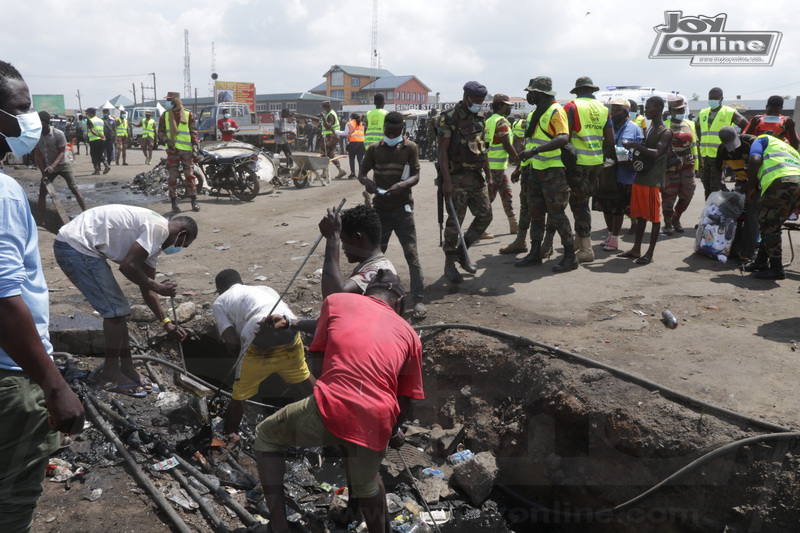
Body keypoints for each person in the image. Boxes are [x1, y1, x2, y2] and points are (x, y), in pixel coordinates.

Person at [253, 269, 424, 533]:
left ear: (368, 293)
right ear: (399, 303)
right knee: (367, 483)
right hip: (378, 418)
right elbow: (407, 401)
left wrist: (333, 398)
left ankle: (278, 527)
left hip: (332, 404)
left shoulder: (338, 301)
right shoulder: (411, 335)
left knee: (265, 435)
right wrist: (392, 431)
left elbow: (318, 361)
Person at [0, 60, 84, 532]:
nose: (31, 118)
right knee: (12, 502)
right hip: (11, 378)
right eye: (21, 108)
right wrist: (54, 385)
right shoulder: (3, 193)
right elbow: (4, 298)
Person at [53, 205, 198, 396]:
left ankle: (127, 368)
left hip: (82, 245)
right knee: (115, 311)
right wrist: (160, 287)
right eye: (183, 244)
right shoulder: (159, 229)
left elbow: (147, 289)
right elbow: (128, 266)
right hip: (76, 245)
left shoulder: (153, 246)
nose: (179, 248)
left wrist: (167, 323)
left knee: (120, 309)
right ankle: (111, 372)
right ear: (183, 233)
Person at [212, 269, 315, 439]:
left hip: (257, 330)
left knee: (239, 395)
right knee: (303, 374)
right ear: (242, 282)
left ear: (219, 290)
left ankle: (231, 434)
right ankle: (328, 411)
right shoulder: (264, 288)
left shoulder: (220, 301)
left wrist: (242, 368)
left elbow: (231, 342)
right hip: (289, 325)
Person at [358, 111, 426, 318]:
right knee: (376, 255)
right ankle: (369, 294)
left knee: (411, 254)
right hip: (380, 209)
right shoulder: (374, 149)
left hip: (403, 208)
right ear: (384, 129)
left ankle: (419, 300)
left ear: (402, 130)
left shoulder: (410, 148)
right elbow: (361, 173)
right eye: (389, 131)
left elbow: (416, 175)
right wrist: (367, 182)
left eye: (396, 132)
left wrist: (403, 184)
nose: (392, 134)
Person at [516, 76, 577, 273]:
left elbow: (563, 138)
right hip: (535, 170)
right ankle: (535, 252)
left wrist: (534, 152)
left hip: (552, 171)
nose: (528, 95)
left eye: (530, 92)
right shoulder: (536, 112)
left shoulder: (555, 111)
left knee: (557, 214)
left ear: (539, 93)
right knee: (535, 213)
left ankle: (570, 256)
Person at [437, 81, 493, 283]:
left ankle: (462, 251)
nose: (479, 104)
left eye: (482, 101)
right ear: (466, 97)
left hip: (476, 177)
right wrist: (446, 181)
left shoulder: (480, 117)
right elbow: (442, 151)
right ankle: (449, 264)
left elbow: (482, 147)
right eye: (477, 101)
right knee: (454, 223)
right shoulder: (449, 117)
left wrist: (489, 174)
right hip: (456, 177)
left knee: (486, 216)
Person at [564, 77, 614, 262]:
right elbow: (610, 140)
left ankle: (586, 248)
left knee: (579, 205)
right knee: (583, 202)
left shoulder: (571, 107)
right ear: (591, 90)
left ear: (577, 91)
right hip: (595, 162)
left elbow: (565, 137)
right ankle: (579, 239)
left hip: (578, 163)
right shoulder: (603, 109)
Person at [618, 96, 673, 264]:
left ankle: (649, 253)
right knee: (641, 216)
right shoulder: (650, 129)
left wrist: (635, 145)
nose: (645, 111)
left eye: (648, 108)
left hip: (653, 180)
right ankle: (636, 250)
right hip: (641, 177)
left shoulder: (665, 131)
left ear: (658, 108)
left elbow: (657, 153)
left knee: (654, 218)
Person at [743, 133, 800, 280]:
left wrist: (750, 188)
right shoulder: (787, 147)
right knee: (769, 224)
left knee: (769, 226)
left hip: (781, 182)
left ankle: (776, 268)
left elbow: (754, 160)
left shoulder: (761, 139)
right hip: (796, 183)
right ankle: (761, 262)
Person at [319, 203, 397, 298]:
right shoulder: (373, 264)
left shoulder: (379, 270)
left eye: (343, 240)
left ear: (357, 238)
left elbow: (335, 297)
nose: (343, 247)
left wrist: (333, 237)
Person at [597, 98, 643, 253]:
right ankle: (610, 234)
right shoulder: (607, 127)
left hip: (624, 174)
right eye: (612, 109)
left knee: (618, 208)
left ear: (626, 112)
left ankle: (615, 239)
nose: (613, 113)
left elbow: (636, 151)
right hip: (606, 173)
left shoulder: (633, 128)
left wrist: (621, 156)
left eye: (617, 110)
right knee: (606, 206)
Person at [716, 127, 759, 263]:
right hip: (741, 182)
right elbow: (718, 169)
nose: (732, 149)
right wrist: (722, 185)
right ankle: (735, 249)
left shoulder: (751, 142)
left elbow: (760, 166)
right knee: (736, 214)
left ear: (738, 134)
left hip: (759, 181)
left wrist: (748, 188)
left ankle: (747, 253)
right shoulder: (722, 149)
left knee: (751, 215)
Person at [33, 111, 87, 221]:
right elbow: (38, 156)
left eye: (42, 123)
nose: (40, 126)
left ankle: (86, 214)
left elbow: (62, 152)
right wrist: (44, 173)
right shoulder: (37, 137)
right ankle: (40, 219)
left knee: (74, 189)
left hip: (63, 165)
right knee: (42, 192)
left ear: (47, 123)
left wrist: (53, 165)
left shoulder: (58, 134)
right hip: (48, 168)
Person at [697, 87, 748, 199]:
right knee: (707, 186)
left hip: (720, 155)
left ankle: (717, 212)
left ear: (721, 99)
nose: (713, 100)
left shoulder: (730, 112)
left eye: (715, 98)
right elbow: (698, 130)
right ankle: (709, 209)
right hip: (705, 155)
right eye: (711, 98)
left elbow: (746, 126)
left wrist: (737, 141)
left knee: (716, 187)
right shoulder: (703, 113)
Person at [482, 94, 519, 239]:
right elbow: (507, 144)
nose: (509, 108)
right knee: (488, 199)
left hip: (496, 166)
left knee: (506, 194)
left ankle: (513, 224)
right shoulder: (501, 122)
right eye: (507, 105)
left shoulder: (490, 120)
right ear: (500, 106)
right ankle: (479, 228)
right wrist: (517, 159)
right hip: (495, 167)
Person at [661, 96, 699, 235]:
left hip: (687, 164)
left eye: (682, 109)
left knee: (688, 193)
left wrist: (698, 165)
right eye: (678, 110)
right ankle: (668, 223)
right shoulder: (664, 125)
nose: (681, 111)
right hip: (670, 166)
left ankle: (676, 218)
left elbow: (695, 145)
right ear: (670, 110)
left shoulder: (690, 124)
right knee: (669, 194)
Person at [159, 91, 200, 212]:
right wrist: (166, 139)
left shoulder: (187, 114)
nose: (167, 102)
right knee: (173, 177)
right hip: (172, 152)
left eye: (169, 100)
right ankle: (174, 204)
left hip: (186, 152)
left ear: (175, 101)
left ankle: (194, 202)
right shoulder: (165, 115)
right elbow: (160, 132)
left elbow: (193, 132)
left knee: (189, 176)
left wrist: (195, 147)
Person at [320, 100, 347, 182]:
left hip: (331, 136)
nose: (322, 108)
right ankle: (340, 170)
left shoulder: (330, 115)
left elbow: (328, 126)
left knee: (324, 152)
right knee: (329, 154)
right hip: (333, 136)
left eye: (323, 107)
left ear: (326, 107)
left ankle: (325, 172)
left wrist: (324, 118)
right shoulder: (331, 113)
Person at [337, 112, 365, 178]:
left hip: (353, 143)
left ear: (352, 117)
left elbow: (345, 133)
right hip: (362, 143)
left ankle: (353, 173)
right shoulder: (362, 124)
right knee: (360, 159)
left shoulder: (349, 123)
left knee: (352, 158)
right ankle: (361, 174)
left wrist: (335, 131)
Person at [85, 107, 108, 175]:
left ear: (91, 113)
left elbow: (92, 131)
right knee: (100, 154)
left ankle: (97, 170)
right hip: (102, 139)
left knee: (94, 155)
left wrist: (98, 135)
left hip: (94, 140)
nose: (87, 114)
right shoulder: (100, 120)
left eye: (88, 113)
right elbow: (103, 130)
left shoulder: (90, 120)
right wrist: (101, 136)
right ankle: (106, 165)